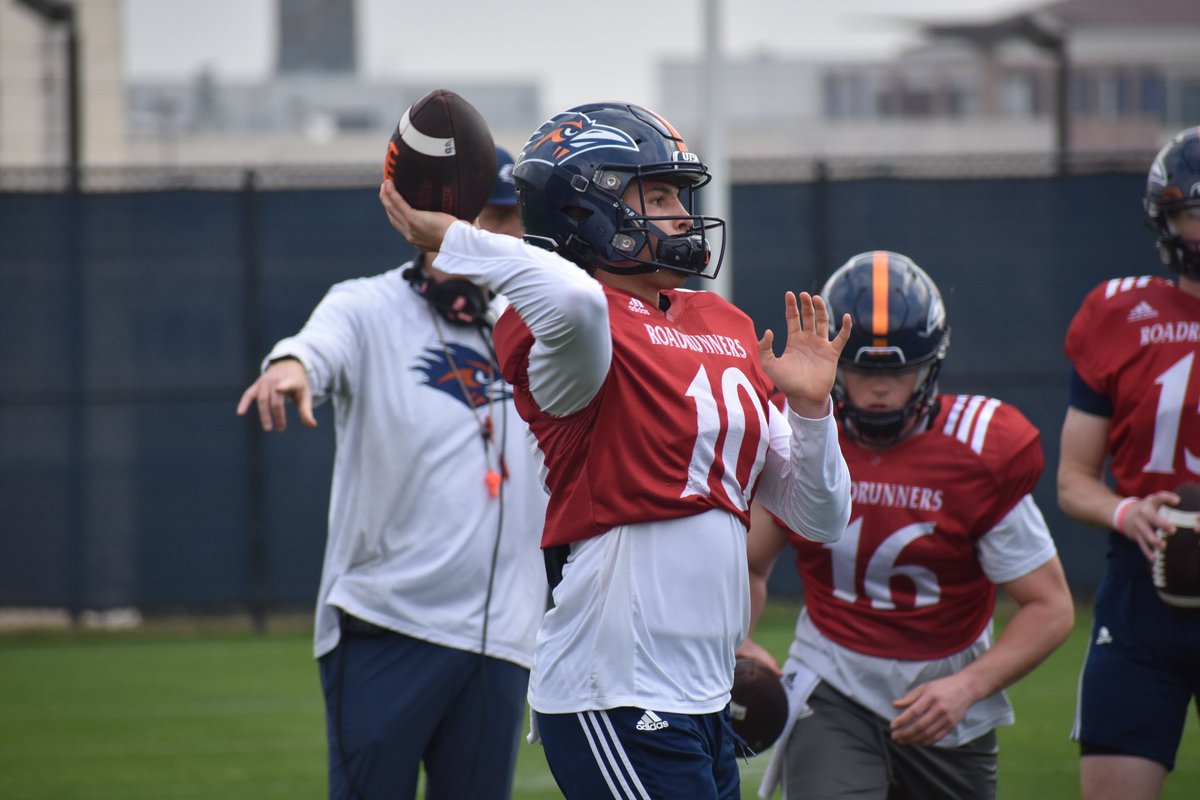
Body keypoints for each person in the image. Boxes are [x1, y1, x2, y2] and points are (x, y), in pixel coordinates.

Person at [379, 101, 853, 799]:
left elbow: (821, 518)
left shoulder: (722, 321)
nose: (684, 216)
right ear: (582, 210)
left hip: (703, 690)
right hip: (617, 687)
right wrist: (458, 239)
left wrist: (813, 409)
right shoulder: (569, 331)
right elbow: (574, 304)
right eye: (657, 195)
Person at [236, 146, 548, 800]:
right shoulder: (366, 307)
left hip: (501, 643)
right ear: (438, 220)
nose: (500, 234)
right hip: (385, 631)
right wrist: (289, 367)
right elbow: (314, 350)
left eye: (510, 218)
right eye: (486, 216)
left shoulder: (538, 333)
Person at [739, 251, 1075, 799]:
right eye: (863, 370)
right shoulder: (806, 439)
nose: (878, 391)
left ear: (931, 365)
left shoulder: (979, 449)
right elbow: (751, 562)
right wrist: (739, 637)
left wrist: (969, 686)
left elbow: (1051, 605)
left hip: (945, 688)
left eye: (897, 372)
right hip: (832, 677)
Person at [1058, 126, 1200, 800]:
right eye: (1195, 211)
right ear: (1166, 219)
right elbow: (1073, 482)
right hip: (1142, 588)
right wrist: (1126, 510)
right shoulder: (1119, 312)